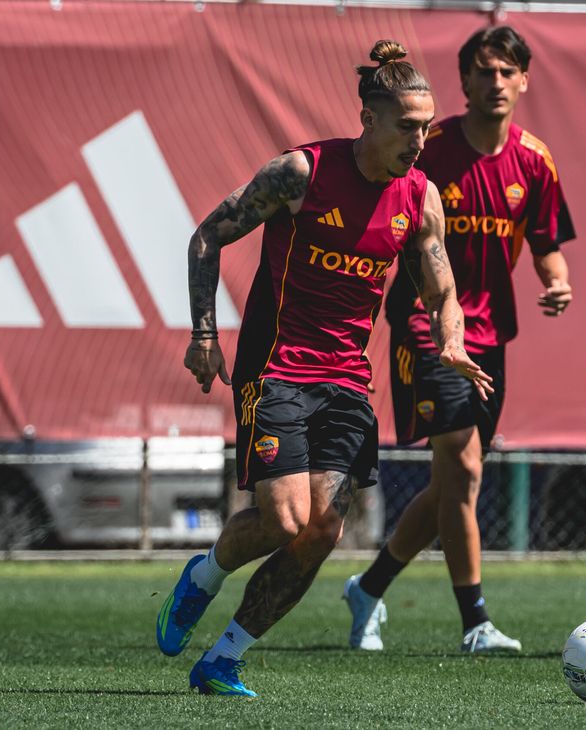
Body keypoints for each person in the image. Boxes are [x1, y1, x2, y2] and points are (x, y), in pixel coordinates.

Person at [155, 40, 492, 697]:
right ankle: (202, 577)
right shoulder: (299, 175)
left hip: (345, 380)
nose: (420, 141)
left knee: (322, 530)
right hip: (275, 368)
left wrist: (450, 340)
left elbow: (442, 291)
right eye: (407, 127)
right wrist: (203, 334)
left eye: (426, 127)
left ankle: (224, 657)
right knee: (281, 520)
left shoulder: (421, 199)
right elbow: (206, 238)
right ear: (368, 118)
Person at [344, 26, 575, 653]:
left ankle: (368, 587)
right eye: (484, 71)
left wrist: (557, 283)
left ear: (524, 80)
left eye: (508, 71)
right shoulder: (429, 148)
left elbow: (549, 246)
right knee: (464, 464)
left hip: (491, 334)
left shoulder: (535, 161)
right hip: (425, 323)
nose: (496, 82)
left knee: (453, 485)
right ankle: (476, 623)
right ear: (465, 80)